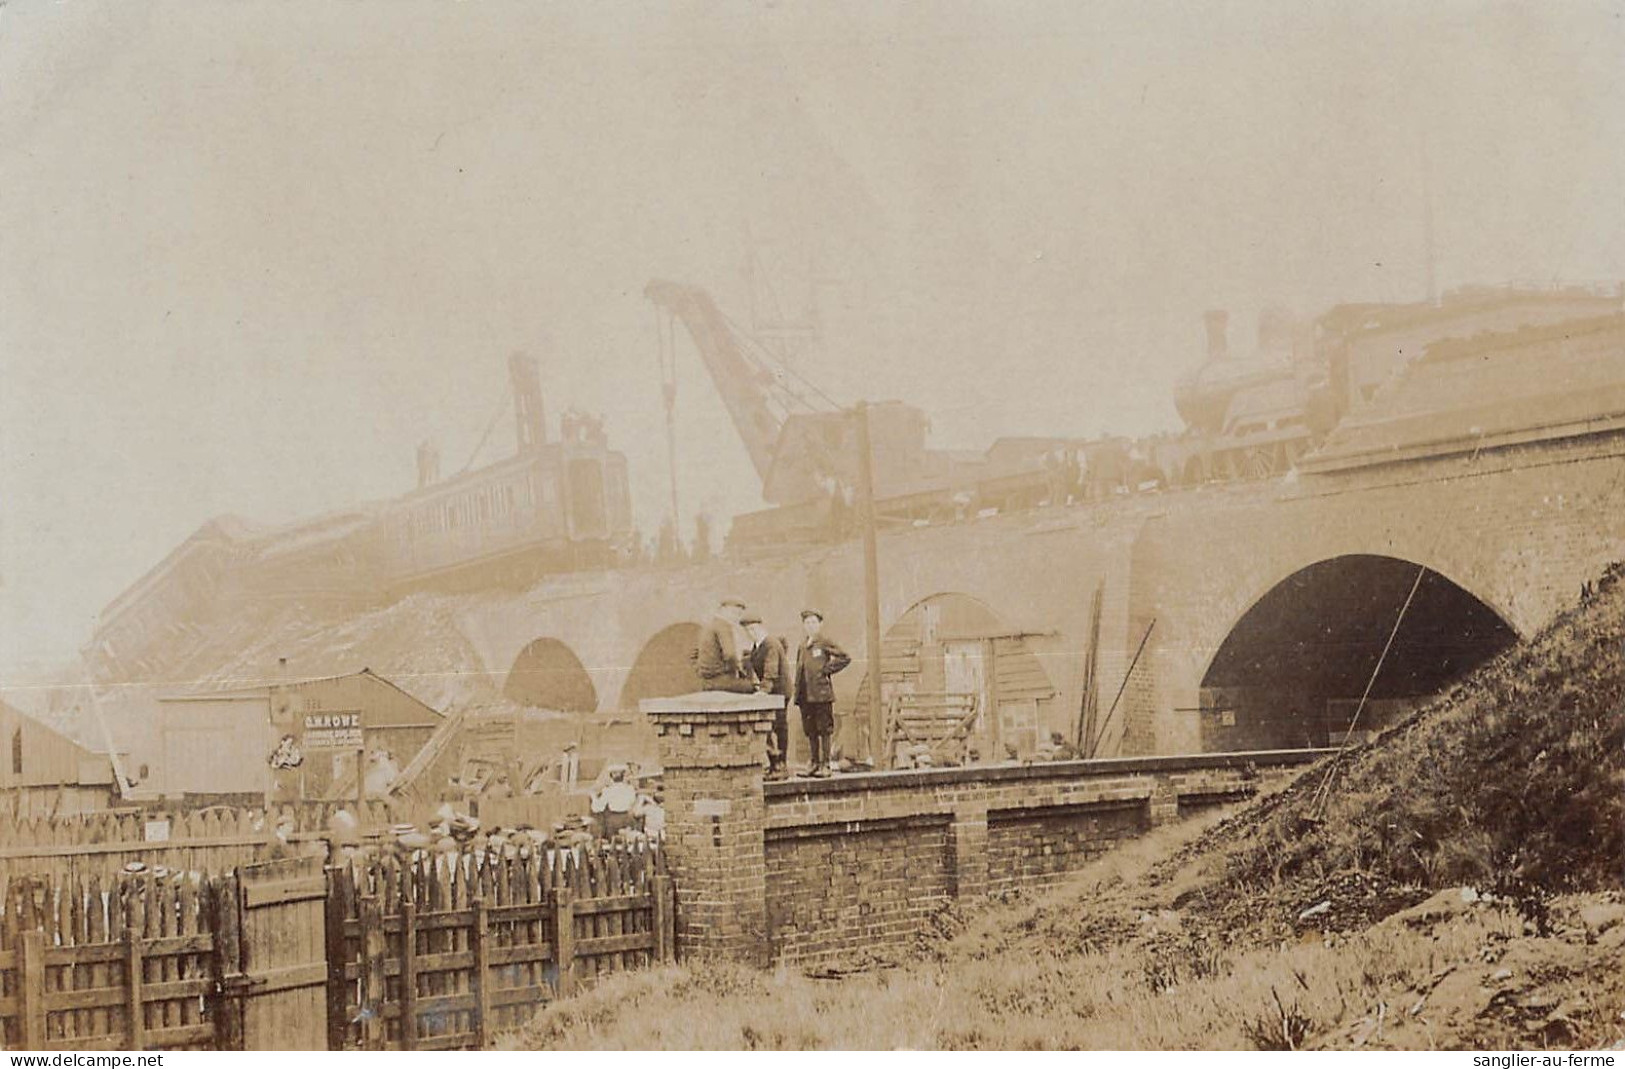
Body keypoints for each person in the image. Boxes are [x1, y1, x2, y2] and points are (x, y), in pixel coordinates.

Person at [791, 609, 850, 778]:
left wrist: (826, 670)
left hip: (821, 693)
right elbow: (799, 669)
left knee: (824, 729)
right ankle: (814, 763)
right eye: (807, 623)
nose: (810, 626)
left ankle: (825, 765)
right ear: (803, 626)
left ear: (820, 625)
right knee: (810, 730)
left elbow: (844, 657)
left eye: (813, 623)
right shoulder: (803, 645)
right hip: (805, 695)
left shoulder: (824, 641)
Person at [742, 612, 791, 780]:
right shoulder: (757, 646)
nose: (751, 632)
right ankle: (773, 764)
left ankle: (780, 766)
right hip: (771, 694)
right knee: (769, 728)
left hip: (779, 692)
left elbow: (771, 671)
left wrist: (763, 691)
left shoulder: (770, 644)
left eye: (754, 629)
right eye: (748, 630)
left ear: (761, 627)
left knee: (778, 727)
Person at [693, 597, 757, 692]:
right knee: (752, 688)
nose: (736, 617)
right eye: (734, 613)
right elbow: (730, 655)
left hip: (706, 681)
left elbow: (694, 654)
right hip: (721, 680)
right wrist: (737, 670)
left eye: (739, 614)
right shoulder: (724, 626)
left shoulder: (708, 626)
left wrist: (702, 672)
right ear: (723, 610)